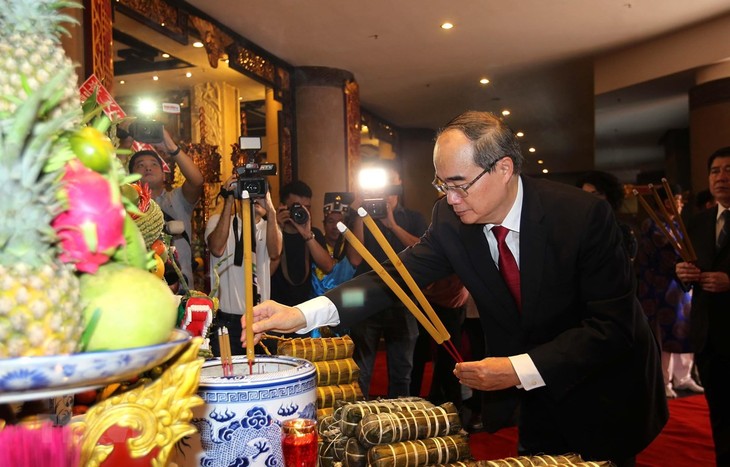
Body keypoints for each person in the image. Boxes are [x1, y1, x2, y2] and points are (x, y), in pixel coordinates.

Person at [244, 111, 667, 465]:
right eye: (441, 184)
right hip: (534, 399)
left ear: (503, 169)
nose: (450, 198)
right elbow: (388, 281)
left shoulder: (580, 217)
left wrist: (517, 368)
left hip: (604, 384)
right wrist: (301, 314)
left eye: (459, 183)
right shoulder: (450, 221)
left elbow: (612, 328)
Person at [350, 160, 428, 398]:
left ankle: (397, 428)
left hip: (403, 300)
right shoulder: (359, 217)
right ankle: (360, 423)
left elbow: (424, 251)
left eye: (388, 182)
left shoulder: (413, 217)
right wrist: (359, 214)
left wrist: (392, 224)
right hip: (366, 299)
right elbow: (354, 258)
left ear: (399, 184)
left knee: (402, 371)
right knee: (361, 371)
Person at [675, 146, 730, 466]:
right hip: (709, 336)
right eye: (715, 171)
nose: (721, 177)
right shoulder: (698, 222)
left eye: (728, 170)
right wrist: (682, 274)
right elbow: (686, 269)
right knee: (719, 416)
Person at [635, 186, 702, 398]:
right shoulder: (652, 224)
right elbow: (668, 254)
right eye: (677, 200)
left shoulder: (679, 225)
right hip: (658, 288)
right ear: (666, 202)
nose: (680, 204)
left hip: (680, 286)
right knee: (663, 334)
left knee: (684, 331)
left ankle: (684, 377)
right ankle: (664, 381)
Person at [205, 174, 282, 355]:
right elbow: (216, 248)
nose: (255, 197)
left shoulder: (269, 227)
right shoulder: (218, 222)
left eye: (260, 191)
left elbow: (275, 252)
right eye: (249, 190)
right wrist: (229, 200)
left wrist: (271, 210)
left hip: (260, 320)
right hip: (227, 321)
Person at [128, 127, 204, 285]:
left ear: (164, 174)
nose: (148, 168)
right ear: (130, 177)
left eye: (154, 164)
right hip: (141, 287)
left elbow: (197, 182)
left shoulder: (177, 199)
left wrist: (172, 148)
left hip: (179, 287)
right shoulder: (127, 207)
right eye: (140, 165)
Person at [270, 180, 334, 307]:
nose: (302, 211)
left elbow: (328, 267)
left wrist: (307, 235)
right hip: (274, 306)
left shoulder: (313, 234)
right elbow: (262, 274)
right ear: (282, 206)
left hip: (304, 309)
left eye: (307, 208)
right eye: (296, 207)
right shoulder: (267, 232)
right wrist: (276, 227)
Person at [577, 170, 638, 261]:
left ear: (609, 197)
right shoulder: (578, 231)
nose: (589, 200)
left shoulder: (621, 231)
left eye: (596, 194)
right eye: (584, 195)